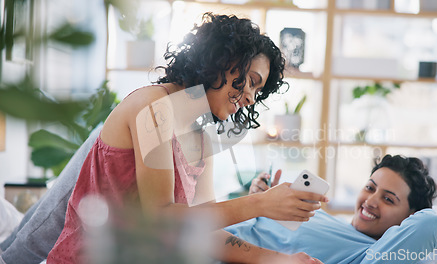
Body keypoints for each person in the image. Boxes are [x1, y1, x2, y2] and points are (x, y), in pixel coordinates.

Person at [4, 12, 328, 264]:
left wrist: (277, 258)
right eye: (250, 82)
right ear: (222, 60)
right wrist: (260, 204)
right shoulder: (154, 106)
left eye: (259, 90)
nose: (251, 98)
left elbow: (200, 230)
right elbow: (161, 218)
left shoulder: (201, 135)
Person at [229, 154, 437, 263]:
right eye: (370, 187)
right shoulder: (323, 218)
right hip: (221, 224)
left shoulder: (371, 255)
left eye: (388, 199)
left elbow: (430, 224)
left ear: (409, 218)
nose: (370, 201)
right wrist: (262, 201)